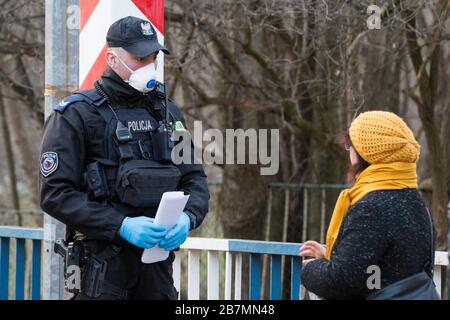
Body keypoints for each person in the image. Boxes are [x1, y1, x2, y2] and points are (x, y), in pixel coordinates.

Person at [39, 16, 209, 300]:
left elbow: (194, 179)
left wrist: (187, 218)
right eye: (140, 57)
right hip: (102, 268)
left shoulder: (167, 113)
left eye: (153, 56)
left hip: (156, 269)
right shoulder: (75, 115)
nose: (149, 64)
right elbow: (55, 194)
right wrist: (121, 225)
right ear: (112, 58)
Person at [299, 111, 435, 299]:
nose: (349, 152)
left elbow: (340, 282)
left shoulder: (371, 207)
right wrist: (333, 256)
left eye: (350, 145)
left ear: (365, 154)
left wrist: (311, 269)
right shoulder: (414, 200)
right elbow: (391, 264)